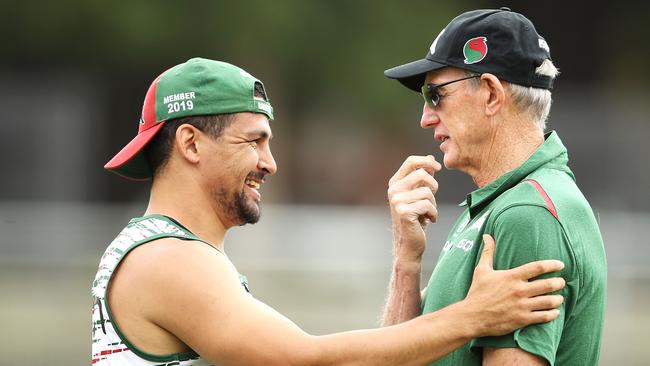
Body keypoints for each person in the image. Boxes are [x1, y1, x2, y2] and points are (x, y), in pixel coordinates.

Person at [91, 57, 566, 365]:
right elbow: (304, 361)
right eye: (253, 140)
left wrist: (405, 261)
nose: (270, 163)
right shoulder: (168, 258)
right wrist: (473, 317)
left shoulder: (169, 253)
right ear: (191, 143)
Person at [382, 7, 607, 366]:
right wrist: (406, 261)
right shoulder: (502, 204)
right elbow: (397, 358)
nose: (425, 117)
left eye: (435, 95)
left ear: (490, 93)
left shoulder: (525, 214)